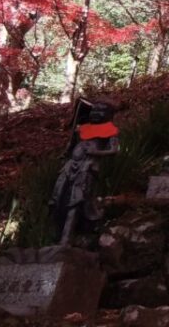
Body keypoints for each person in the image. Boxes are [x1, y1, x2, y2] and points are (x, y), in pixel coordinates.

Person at [50, 102, 119, 245]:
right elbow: (70, 148)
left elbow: (114, 150)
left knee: (77, 199)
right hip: (71, 165)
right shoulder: (82, 129)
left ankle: (66, 238)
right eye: (94, 110)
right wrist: (68, 150)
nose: (95, 113)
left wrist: (97, 152)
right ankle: (57, 233)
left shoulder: (110, 130)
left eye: (100, 111)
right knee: (59, 196)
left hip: (88, 166)